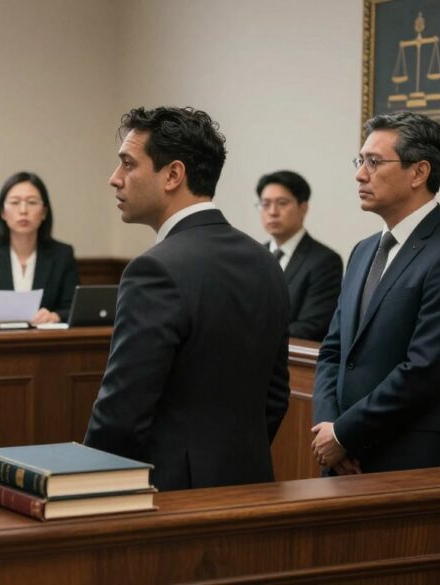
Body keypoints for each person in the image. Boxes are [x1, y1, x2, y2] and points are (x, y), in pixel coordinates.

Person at [84, 106, 290, 491]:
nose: (115, 179)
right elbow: (276, 398)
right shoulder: (265, 262)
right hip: (250, 486)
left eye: (128, 164)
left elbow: (122, 413)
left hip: (168, 496)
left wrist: (86, 488)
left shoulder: (153, 270)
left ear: (173, 174)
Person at [311, 112, 440, 476]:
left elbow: (426, 370)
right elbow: (334, 351)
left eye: (373, 162)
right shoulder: (362, 250)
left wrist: (345, 432)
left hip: (410, 462)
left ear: (418, 172)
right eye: (360, 160)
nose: (359, 173)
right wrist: (328, 429)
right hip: (340, 459)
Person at [0, 171, 79, 325]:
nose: (23, 210)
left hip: (45, 344)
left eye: (32, 202)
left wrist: (54, 316)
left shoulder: (62, 255)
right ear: (3, 212)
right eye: (14, 202)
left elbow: (73, 308)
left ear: (44, 212)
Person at [256, 170, 343, 341]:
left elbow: (312, 326)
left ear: (303, 208)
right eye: (265, 204)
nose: (272, 212)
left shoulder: (325, 261)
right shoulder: (253, 256)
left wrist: (254, 338)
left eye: (282, 203)